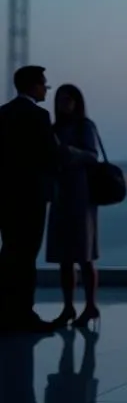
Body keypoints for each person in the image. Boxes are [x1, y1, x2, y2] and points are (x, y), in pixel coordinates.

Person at [0, 65, 59, 335]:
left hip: (7, 196)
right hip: (32, 196)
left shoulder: (4, 114)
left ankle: (5, 312)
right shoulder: (39, 116)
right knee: (26, 257)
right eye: (43, 84)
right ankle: (24, 314)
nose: (46, 89)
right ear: (33, 86)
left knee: (9, 252)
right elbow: (49, 156)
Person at [47, 84, 102, 329]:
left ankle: (90, 305)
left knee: (84, 254)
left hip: (81, 195)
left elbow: (92, 155)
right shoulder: (54, 128)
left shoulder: (84, 126)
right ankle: (68, 306)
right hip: (61, 195)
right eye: (60, 98)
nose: (64, 103)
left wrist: (69, 152)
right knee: (64, 257)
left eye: (68, 99)